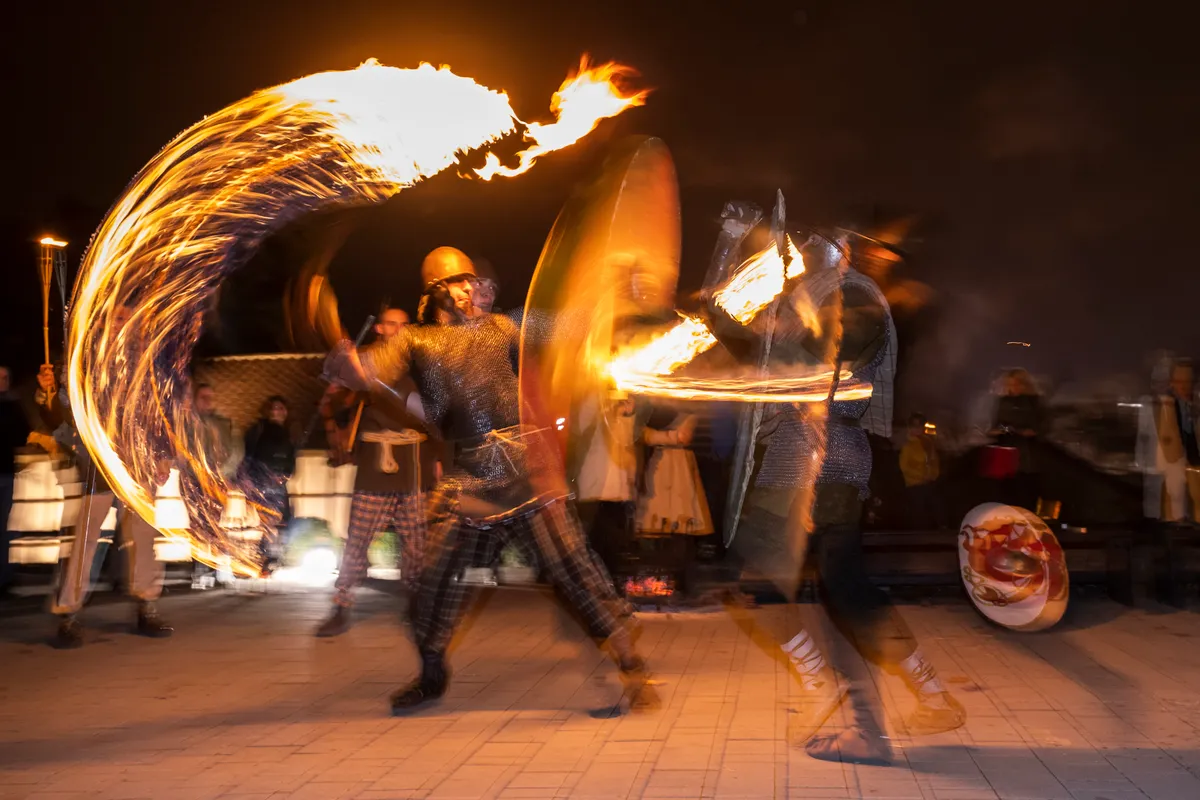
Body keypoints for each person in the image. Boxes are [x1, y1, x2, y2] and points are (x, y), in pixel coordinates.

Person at [325, 245, 653, 716]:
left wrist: (614, 294)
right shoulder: (414, 340)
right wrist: (344, 362)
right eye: (459, 281)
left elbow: (567, 325)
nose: (469, 288)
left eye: (471, 280)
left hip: (524, 468)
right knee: (433, 580)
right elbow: (366, 372)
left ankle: (631, 666)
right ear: (436, 290)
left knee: (575, 570)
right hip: (471, 477)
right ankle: (431, 676)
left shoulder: (503, 326)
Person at [729, 228, 964, 765]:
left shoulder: (856, 300)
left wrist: (787, 329)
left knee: (827, 590)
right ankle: (923, 694)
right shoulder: (821, 301)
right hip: (802, 457)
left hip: (824, 457)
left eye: (829, 244)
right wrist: (740, 304)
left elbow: (830, 360)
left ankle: (860, 720)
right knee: (818, 586)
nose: (814, 249)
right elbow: (769, 350)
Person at [38, 321, 173, 648]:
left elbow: (156, 415)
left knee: (144, 540)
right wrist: (49, 392)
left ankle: (146, 605)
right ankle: (68, 613)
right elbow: (62, 420)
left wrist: (162, 456)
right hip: (97, 470)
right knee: (84, 541)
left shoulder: (141, 366)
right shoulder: (81, 368)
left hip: (136, 470)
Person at [315, 306, 438, 637]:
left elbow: (439, 415)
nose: (398, 330)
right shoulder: (364, 361)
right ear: (379, 328)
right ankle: (342, 605)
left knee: (417, 543)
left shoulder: (422, 362)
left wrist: (440, 459)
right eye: (391, 324)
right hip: (374, 469)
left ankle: (416, 602)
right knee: (357, 539)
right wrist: (339, 381)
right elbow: (332, 402)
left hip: (415, 465)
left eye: (404, 325)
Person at [1137, 358, 1200, 521]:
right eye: (1180, 382)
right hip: (1174, 457)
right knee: (1175, 497)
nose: (1184, 386)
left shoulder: (1195, 403)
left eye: (1188, 382)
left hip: (1193, 454)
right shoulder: (1165, 403)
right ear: (1172, 382)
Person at [241, 395, 296, 564]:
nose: (278, 411)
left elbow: (291, 460)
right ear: (268, 411)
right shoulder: (258, 430)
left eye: (281, 408)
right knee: (262, 520)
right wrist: (249, 479)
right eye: (275, 408)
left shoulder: (289, 433)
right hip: (261, 483)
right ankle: (260, 557)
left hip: (279, 485)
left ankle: (275, 558)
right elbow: (249, 456)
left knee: (280, 521)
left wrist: (286, 474)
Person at [988, 369, 1043, 510]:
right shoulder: (1004, 402)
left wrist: (1025, 431)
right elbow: (996, 424)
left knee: (1024, 489)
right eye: (1010, 384)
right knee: (1003, 491)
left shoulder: (1033, 403)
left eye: (1016, 384)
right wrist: (1001, 430)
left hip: (1025, 453)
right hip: (1005, 451)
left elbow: (1039, 426)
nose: (1013, 388)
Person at [0, 365, 31, 597]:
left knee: (6, 528)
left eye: (5, 377)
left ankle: (5, 579)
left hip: (6, 473)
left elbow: (22, 434)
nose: (3, 381)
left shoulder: (12, 406)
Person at [899, 413, 943, 529]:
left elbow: (934, 460)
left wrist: (933, 475)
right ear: (909, 428)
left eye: (920, 426)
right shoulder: (907, 446)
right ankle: (918, 535)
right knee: (918, 513)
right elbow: (904, 467)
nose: (917, 429)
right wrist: (921, 477)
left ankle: (940, 531)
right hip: (914, 485)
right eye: (914, 426)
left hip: (930, 482)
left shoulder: (928, 442)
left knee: (936, 508)